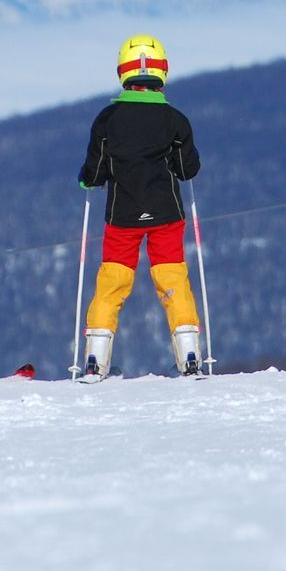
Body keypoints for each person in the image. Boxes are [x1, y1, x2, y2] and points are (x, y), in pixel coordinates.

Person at [76, 34, 203, 379]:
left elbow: (95, 171)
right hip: (166, 214)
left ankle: (94, 360)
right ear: (162, 70)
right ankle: (189, 354)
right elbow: (187, 168)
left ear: (123, 72)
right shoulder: (175, 120)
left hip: (123, 215)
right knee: (172, 279)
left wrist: (86, 178)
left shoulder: (108, 119)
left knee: (112, 283)